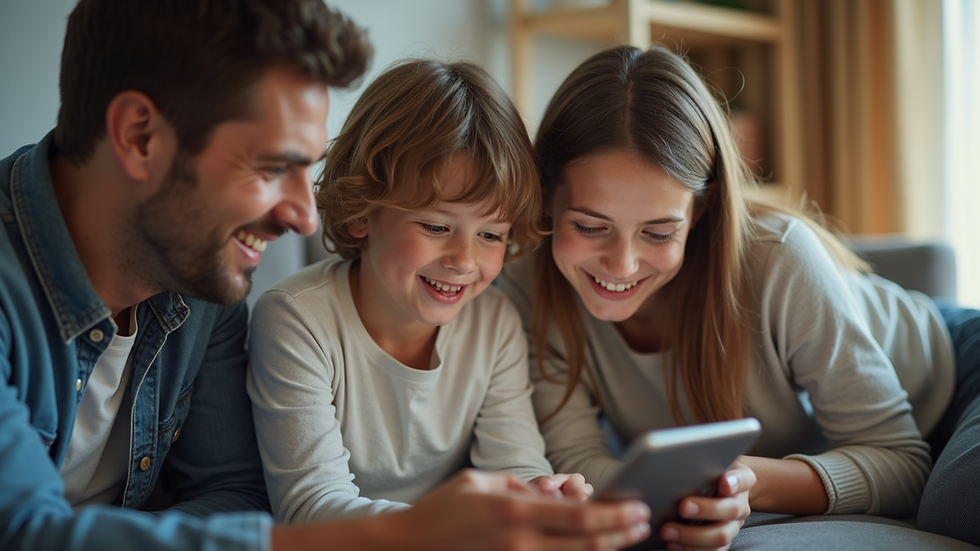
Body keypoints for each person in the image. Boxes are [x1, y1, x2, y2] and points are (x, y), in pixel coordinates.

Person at [0, 1, 652, 549]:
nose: (305, 215)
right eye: (271, 166)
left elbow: (231, 494)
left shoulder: (204, 281)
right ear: (140, 136)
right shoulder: (263, 297)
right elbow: (24, 530)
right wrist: (414, 532)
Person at [496, 43, 980, 548]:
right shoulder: (527, 292)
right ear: (548, 200)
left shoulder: (779, 259)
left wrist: (744, 481)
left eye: (659, 233)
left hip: (953, 376)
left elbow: (901, 462)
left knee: (959, 504)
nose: (622, 265)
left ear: (700, 213)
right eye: (591, 226)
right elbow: (579, 460)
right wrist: (689, 502)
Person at [247, 58, 594, 524]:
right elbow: (309, 506)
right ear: (361, 212)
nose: (464, 260)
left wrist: (543, 493)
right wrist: (447, 527)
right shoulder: (295, 319)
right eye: (435, 225)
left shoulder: (496, 324)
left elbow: (515, 462)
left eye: (491, 235)